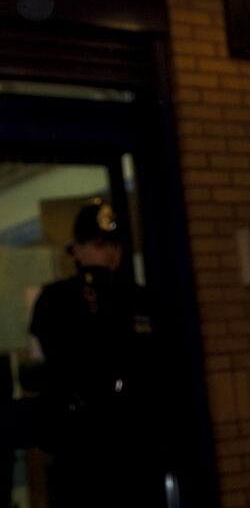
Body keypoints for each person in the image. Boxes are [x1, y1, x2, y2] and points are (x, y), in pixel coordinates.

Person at [27, 198, 164, 507]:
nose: (110, 253)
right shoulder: (57, 299)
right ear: (77, 249)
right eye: (100, 244)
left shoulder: (139, 298)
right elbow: (55, 366)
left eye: (114, 244)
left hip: (135, 443)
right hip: (81, 446)